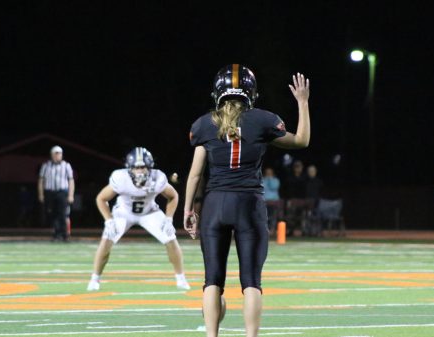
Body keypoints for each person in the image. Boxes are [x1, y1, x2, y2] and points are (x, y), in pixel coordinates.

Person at [183, 65, 310, 337]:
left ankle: (211, 335)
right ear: (250, 92)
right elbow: (301, 140)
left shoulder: (204, 124)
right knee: (251, 282)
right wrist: (302, 103)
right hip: (249, 205)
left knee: (212, 281)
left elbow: (195, 175)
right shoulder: (264, 120)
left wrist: (188, 209)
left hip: (215, 205)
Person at [87, 147, 190, 291]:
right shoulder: (120, 178)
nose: (140, 171)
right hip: (124, 212)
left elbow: (173, 196)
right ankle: (95, 279)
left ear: (150, 167)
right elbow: (101, 198)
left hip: (149, 212)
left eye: (143, 167)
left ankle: (181, 279)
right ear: (129, 168)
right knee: (106, 240)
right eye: (136, 167)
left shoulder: (157, 178)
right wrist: (108, 220)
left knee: (170, 238)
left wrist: (169, 219)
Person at [38, 146, 75, 242]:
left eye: (59, 154)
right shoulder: (46, 166)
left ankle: (64, 235)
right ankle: (56, 234)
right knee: (52, 214)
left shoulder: (66, 165)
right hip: (50, 192)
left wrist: (71, 195)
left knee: (63, 214)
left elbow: (71, 181)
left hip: (62, 192)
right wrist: (41, 194)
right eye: (56, 154)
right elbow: (41, 180)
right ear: (52, 155)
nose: (58, 156)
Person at [262, 168, 281, 232]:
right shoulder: (262, 180)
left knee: (273, 216)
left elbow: (274, 187)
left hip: (273, 202)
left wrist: (270, 179)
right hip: (264, 201)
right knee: (264, 216)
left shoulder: (275, 180)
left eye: (270, 172)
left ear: (272, 173)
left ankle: (272, 229)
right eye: (267, 172)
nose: (268, 173)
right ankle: (265, 229)